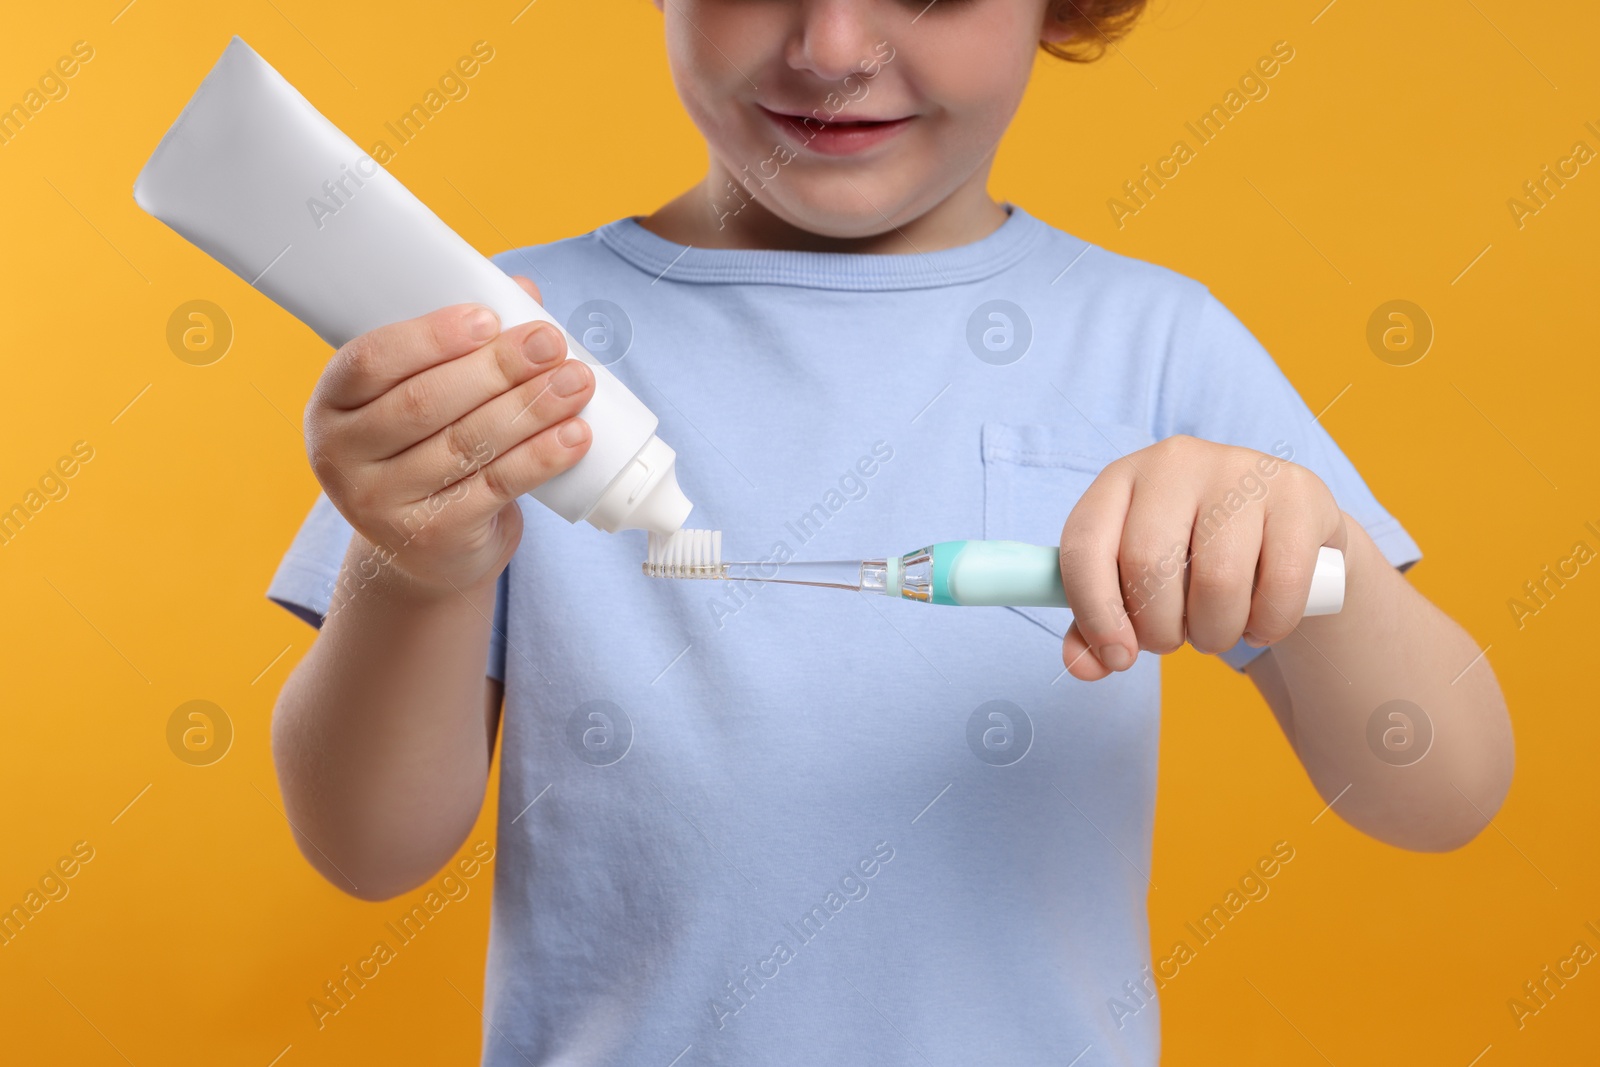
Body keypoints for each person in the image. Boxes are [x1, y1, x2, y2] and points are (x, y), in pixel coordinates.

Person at [267, 2, 1514, 1062]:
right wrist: (414, 566)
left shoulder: (1153, 342)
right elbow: (367, 846)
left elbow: (1443, 788)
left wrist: (1312, 545)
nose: (832, 44)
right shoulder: (504, 350)